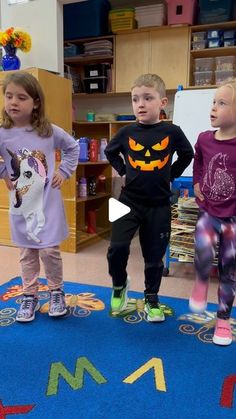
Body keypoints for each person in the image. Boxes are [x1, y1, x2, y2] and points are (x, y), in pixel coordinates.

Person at [105, 73, 194, 322]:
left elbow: (188, 154)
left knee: (154, 257)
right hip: (127, 201)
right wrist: (123, 170)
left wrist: (171, 175)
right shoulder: (126, 132)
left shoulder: (172, 131)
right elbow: (110, 152)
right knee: (117, 248)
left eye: (147, 98)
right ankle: (120, 285)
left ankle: (151, 297)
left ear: (162, 102)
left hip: (159, 204)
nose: (140, 104)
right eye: (135, 99)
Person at [0, 72, 79, 322]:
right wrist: (4, 172)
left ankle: (56, 291)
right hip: (22, 205)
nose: (13, 102)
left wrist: (65, 171)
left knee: (49, 251)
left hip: (48, 205)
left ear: (35, 102)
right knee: (27, 253)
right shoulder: (2, 133)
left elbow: (72, 147)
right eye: (8, 96)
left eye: (21, 97)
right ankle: (29, 294)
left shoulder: (48, 131)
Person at [189, 79, 236, 346]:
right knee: (203, 251)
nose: (213, 108)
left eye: (222, 103)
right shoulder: (205, 139)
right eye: (213, 102)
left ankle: (223, 320)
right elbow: (199, 160)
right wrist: (196, 182)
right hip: (208, 210)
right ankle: (200, 281)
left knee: (230, 271)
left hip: (233, 218)